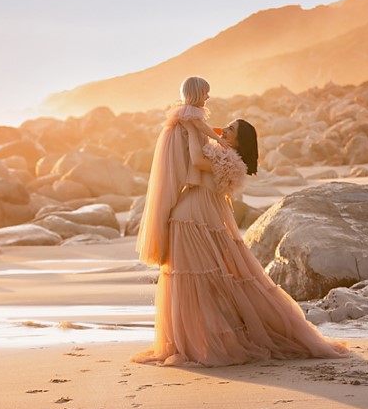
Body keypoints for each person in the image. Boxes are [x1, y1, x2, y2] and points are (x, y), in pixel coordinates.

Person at [132, 76, 349, 367]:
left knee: (206, 280)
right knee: (194, 280)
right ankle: (194, 342)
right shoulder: (219, 150)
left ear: (238, 141)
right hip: (189, 217)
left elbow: (196, 160)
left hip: (195, 219)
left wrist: (192, 126)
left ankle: (210, 341)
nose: (224, 129)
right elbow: (196, 152)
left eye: (231, 129)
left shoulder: (232, 162)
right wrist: (195, 125)